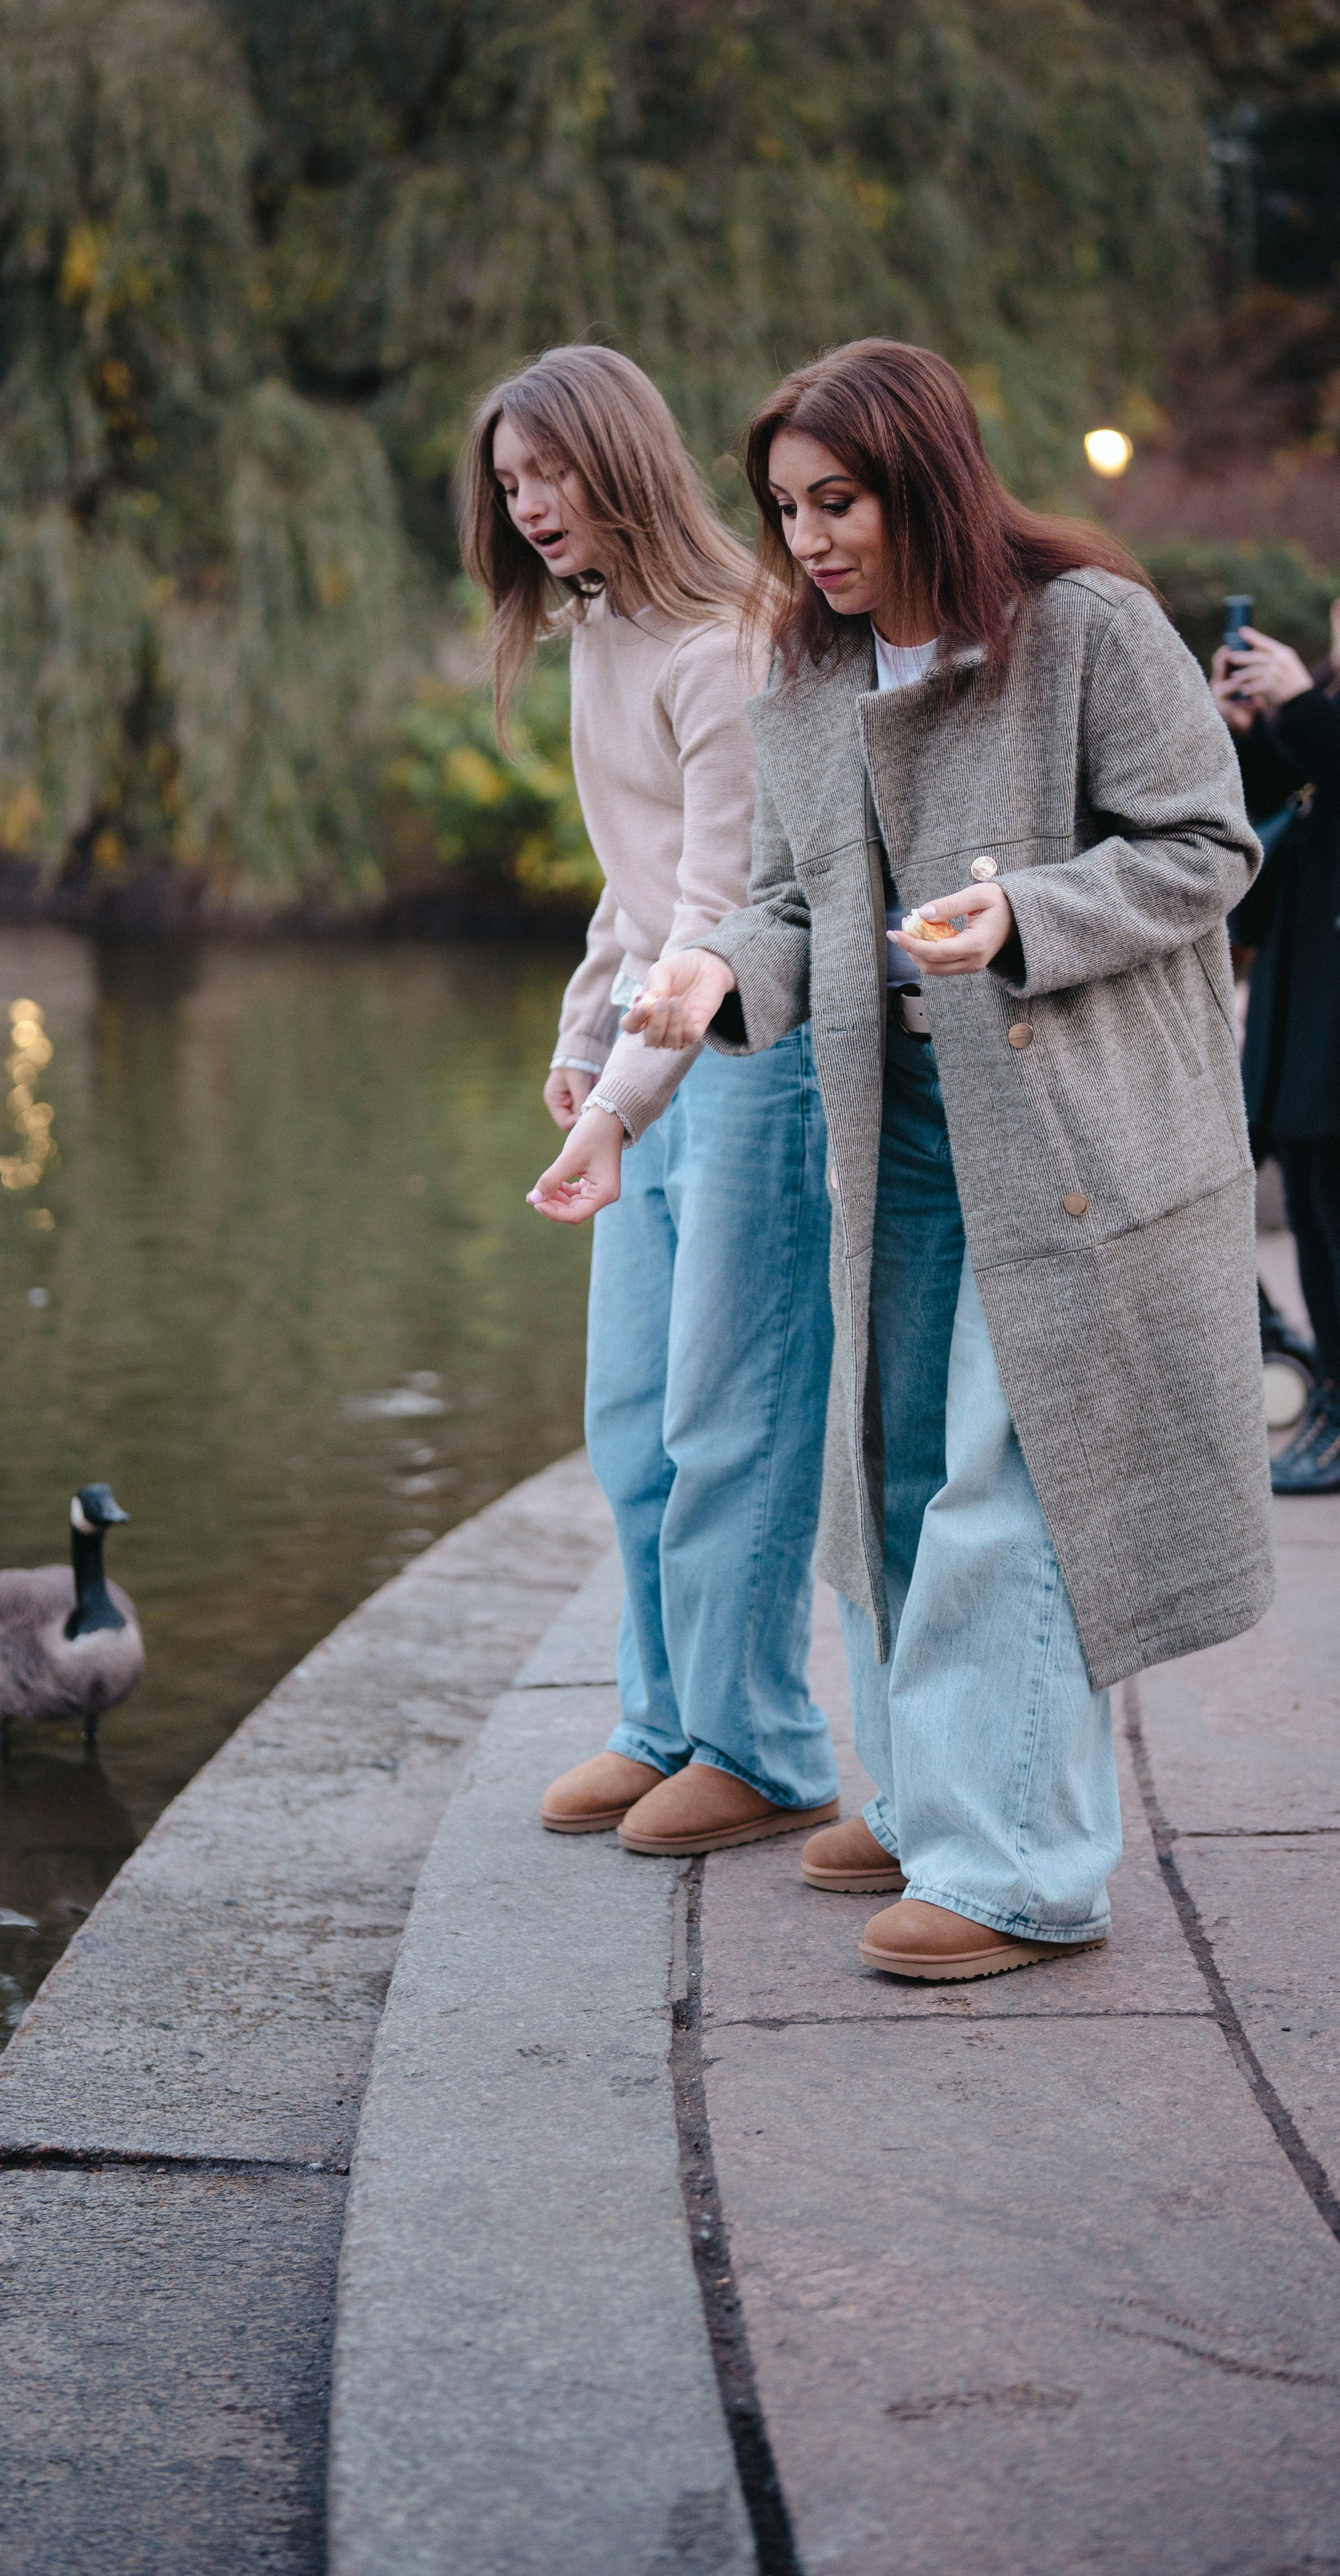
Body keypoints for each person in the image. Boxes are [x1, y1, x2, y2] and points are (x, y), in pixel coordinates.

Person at [600, 336, 1272, 1980]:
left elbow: (1205, 848)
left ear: (926, 478)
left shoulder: (1087, 630)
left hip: (1072, 1121)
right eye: (785, 508)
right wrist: (712, 976)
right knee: (885, 1455)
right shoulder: (809, 675)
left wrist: (1023, 915)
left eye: (841, 500)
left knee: (1007, 1469)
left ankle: (1021, 1873)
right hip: (892, 1116)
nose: (814, 538)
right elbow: (782, 904)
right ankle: (918, 1803)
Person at [461, 344, 838, 1857]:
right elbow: (633, 892)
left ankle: (759, 1744)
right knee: (629, 1417)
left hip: (755, 1055)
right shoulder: (596, 633)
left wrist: (621, 1095)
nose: (530, 506)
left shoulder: (727, 644)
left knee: (729, 1416)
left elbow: (722, 908)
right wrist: (582, 1045)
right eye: (507, 485)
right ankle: (660, 1719)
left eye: (547, 472)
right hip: (656, 1053)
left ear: (616, 458)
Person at [1213, 600, 1340, 1493]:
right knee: (1312, 1211)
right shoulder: (1316, 705)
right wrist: (1246, 734)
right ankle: (1330, 1393)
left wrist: (1299, 711)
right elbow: (1263, 832)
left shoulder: (1317, 708)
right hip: (1304, 1005)